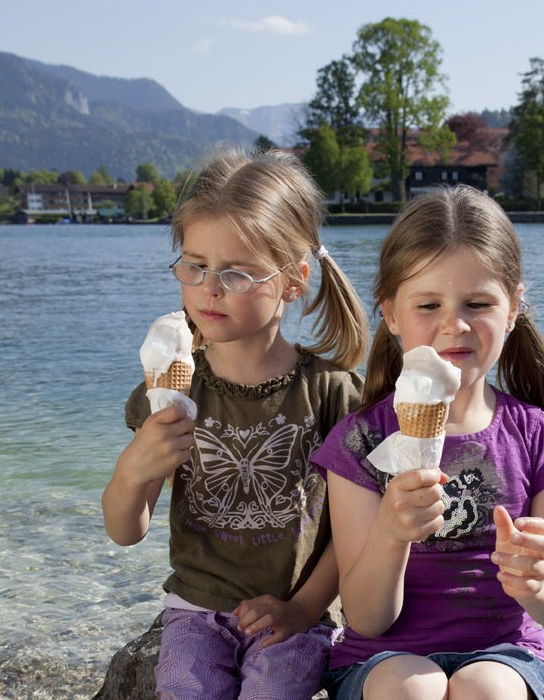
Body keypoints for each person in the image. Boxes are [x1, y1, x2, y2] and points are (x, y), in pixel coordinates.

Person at [102, 147, 368, 700]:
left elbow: (353, 532)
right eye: (194, 265)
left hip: (295, 613)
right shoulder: (169, 389)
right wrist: (132, 472)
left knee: (275, 690)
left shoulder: (330, 393)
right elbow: (125, 530)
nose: (209, 288)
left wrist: (303, 607)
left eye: (236, 273)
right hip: (194, 608)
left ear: (294, 280)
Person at [310, 184, 544, 700]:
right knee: (414, 688)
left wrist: (538, 584)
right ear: (390, 313)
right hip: (381, 658)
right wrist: (391, 533)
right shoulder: (359, 443)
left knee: (487, 687)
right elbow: (367, 617)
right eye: (428, 304)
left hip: (504, 652)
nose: (453, 325)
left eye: (477, 303)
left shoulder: (540, 439)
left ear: (512, 309)